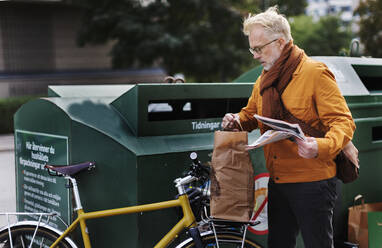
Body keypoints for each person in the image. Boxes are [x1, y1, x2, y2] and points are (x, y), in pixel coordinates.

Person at [222, 6, 355, 248]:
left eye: (259, 48)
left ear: (281, 42)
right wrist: (237, 120)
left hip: (313, 182)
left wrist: (319, 146)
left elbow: (343, 122)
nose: (254, 55)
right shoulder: (263, 80)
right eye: (252, 48)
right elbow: (252, 114)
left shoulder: (315, 73)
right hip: (278, 181)